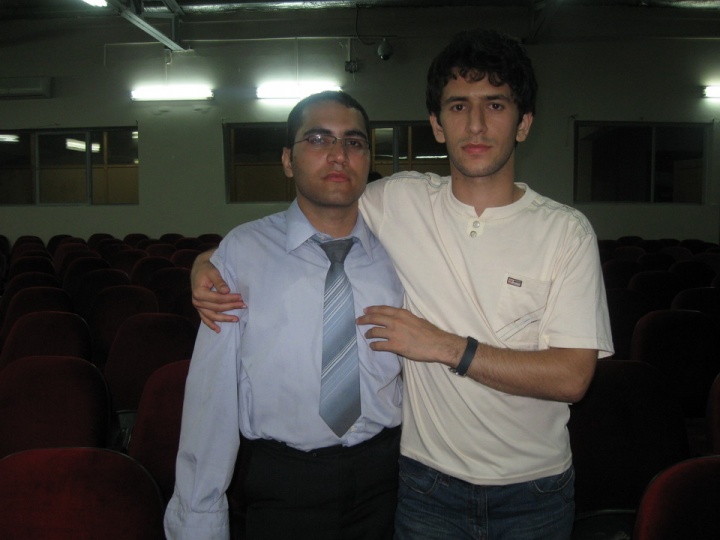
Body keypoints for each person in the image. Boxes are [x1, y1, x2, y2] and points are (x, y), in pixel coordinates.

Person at [191, 29, 614, 539]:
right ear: (437, 124)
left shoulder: (566, 231)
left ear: (523, 123)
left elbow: (572, 377)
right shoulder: (399, 202)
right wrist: (210, 262)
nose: (476, 124)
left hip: (534, 489)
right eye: (458, 106)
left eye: (496, 105)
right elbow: (311, 214)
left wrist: (444, 346)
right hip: (423, 485)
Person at [164, 91, 404, 540]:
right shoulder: (243, 253)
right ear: (287, 161)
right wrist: (199, 518)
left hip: (388, 481)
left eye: (354, 142)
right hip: (285, 484)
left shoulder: (400, 253)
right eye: (318, 139)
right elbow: (212, 396)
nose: (338, 154)